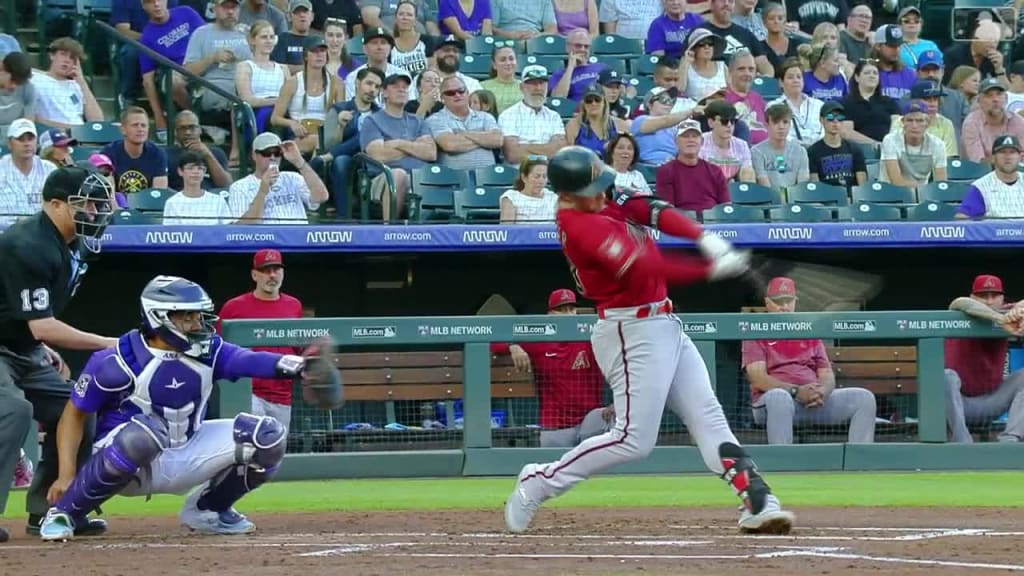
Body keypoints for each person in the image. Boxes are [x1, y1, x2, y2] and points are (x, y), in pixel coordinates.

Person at [503, 145, 795, 536]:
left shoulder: (598, 195)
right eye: (595, 188)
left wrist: (701, 236)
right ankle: (539, 480)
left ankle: (758, 499)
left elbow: (646, 207)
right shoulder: (580, 226)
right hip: (629, 331)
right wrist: (710, 267)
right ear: (568, 194)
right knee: (633, 440)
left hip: (663, 321)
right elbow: (645, 266)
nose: (604, 193)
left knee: (708, 416)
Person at [36, 275, 335, 540]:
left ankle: (209, 510)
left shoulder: (208, 350)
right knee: (145, 434)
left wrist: (301, 367)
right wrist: (66, 475)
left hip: (188, 446)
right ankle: (66, 512)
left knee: (267, 436)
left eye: (199, 316)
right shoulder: (116, 360)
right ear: (159, 318)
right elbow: (74, 415)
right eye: (187, 317)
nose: (197, 324)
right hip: (130, 460)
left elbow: (249, 360)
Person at [0, 167, 116, 543]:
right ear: (55, 204)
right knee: (12, 411)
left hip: (21, 347)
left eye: (98, 206)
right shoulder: (27, 243)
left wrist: (40, 344)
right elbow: (42, 323)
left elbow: (28, 316)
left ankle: (54, 511)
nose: (95, 214)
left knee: (77, 403)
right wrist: (107, 342)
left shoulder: (71, 244)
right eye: (86, 205)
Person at [742, 277, 876, 445]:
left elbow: (826, 373)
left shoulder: (806, 329)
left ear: (795, 302)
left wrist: (822, 392)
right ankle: (782, 464)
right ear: (767, 302)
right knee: (779, 398)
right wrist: (796, 392)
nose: (784, 307)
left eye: (788, 301)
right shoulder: (756, 330)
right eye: (778, 302)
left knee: (863, 399)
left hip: (812, 402)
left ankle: (860, 463)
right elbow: (758, 378)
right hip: (774, 404)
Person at [491, 289, 612, 448]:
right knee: (554, 467)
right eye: (561, 310)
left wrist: (617, 404)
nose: (568, 314)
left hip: (589, 420)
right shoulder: (540, 340)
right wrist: (512, 346)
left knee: (606, 420)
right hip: (556, 424)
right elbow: (490, 340)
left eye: (571, 309)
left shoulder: (592, 338)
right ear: (550, 314)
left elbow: (624, 359)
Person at [218, 250, 305, 429]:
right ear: (254, 275)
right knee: (251, 450)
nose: (272, 275)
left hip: (282, 395)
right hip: (248, 393)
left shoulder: (294, 306)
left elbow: (297, 347)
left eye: (276, 270)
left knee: (275, 451)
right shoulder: (234, 307)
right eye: (266, 270)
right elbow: (217, 348)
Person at [945, 275, 1024, 443]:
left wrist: (1019, 307)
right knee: (946, 376)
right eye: (983, 296)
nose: (989, 301)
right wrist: (1001, 320)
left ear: (1003, 298)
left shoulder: (1011, 313)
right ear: (973, 296)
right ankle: (963, 443)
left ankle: (1009, 441)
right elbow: (960, 302)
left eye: (994, 296)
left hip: (993, 401)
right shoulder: (960, 310)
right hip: (959, 403)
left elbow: (1020, 307)